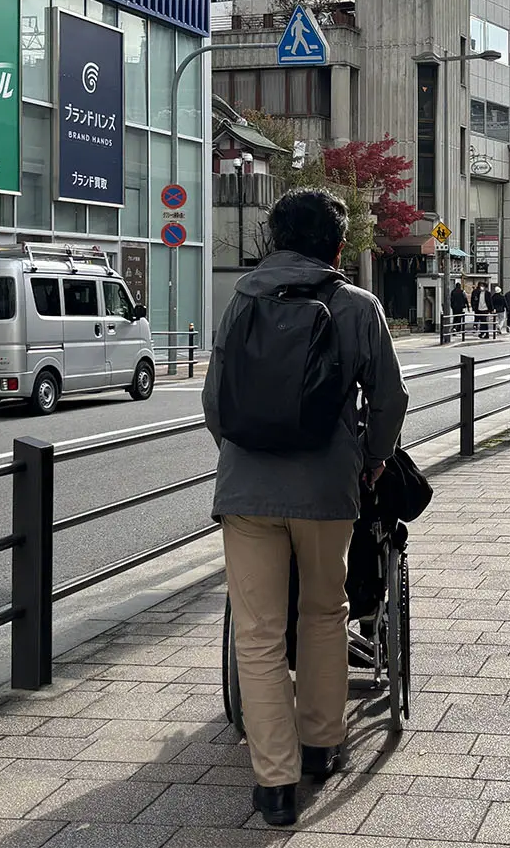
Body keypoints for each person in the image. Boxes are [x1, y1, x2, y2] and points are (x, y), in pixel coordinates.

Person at [203, 188, 409, 828]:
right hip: (327, 489)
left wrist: (247, 458)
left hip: (246, 491)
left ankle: (274, 786)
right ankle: (322, 744)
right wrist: (370, 461)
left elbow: (215, 400)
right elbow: (390, 398)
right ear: (338, 246)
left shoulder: (242, 300)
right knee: (325, 611)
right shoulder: (357, 306)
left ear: (274, 240)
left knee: (259, 635)